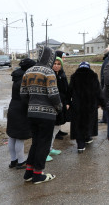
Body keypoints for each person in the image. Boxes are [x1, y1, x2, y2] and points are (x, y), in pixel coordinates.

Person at [20, 46, 62, 184]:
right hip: (47, 115)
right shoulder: (49, 72)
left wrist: (32, 105)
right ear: (50, 58)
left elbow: (23, 94)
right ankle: (38, 174)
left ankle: (29, 173)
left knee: (35, 142)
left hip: (32, 113)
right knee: (43, 144)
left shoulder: (28, 71)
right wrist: (59, 107)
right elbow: (53, 94)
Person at [67, 62, 104, 152]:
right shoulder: (93, 76)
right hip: (90, 105)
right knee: (89, 122)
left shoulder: (74, 76)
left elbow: (69, 91)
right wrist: (101, 102)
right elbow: (98, 91)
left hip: (77, 105)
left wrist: (68, 102)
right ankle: (87, 137)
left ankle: (80, 145)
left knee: (78, 125)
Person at [6, 58, 36, 169]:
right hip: (21, 109)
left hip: (13, 107)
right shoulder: (25, 79)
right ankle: (21, 161)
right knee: (20, 137)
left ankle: (13, 160)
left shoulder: (17, 76)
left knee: (12, 136)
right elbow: (26, 97)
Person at [48, 57, 69, 161]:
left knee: (56, 127)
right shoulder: (49, 76)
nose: (56, 65)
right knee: (49, 129)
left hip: (61, 105)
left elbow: (66, 90)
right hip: (52, 105)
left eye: (58, 64)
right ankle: (46, 151)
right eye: (54, 63)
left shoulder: (62, 75)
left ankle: (50, 148)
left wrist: (67, 103)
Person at [55, 50, 69, 139]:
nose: (64, 59)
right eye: (63, 58)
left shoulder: (61, 70)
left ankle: (58, 130)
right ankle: (56, 133)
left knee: (60, 115)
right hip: (57, 98)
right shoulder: (53, 72)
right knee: (57, 116)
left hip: (62, 97)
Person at [99, 49, 109, 123]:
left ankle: (105, 119)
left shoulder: (107, 60)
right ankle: (106, 118)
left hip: (105, 85)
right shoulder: (108, 59)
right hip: (105, 85)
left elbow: (105, 74)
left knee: (105, 102)